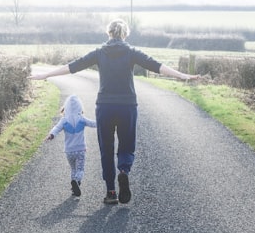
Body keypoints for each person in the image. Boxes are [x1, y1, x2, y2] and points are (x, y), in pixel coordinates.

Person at [30, 18, 200, 205]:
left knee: (106, 149)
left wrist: (45, 74)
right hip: (127, 106)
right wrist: (182, 75)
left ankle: (111, 192)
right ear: (125, 34)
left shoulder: (99, 53)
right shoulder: (131, 52)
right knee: (127, 146)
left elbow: (73, 66)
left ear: (108, 33)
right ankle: (123, 171)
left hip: (105, 106)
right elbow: (156, 66)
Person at [46, 94, 97, 197]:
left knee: (73, 169)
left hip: (69, 151)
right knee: (80, 169)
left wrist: (51, 135)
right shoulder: (81, 119)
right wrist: (103, 122)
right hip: (80, 149)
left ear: (66, 108)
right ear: (80, 107)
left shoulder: (64, 120)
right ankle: (77, 181)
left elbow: (56, 128)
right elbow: (93, 123)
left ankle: (74, 186)